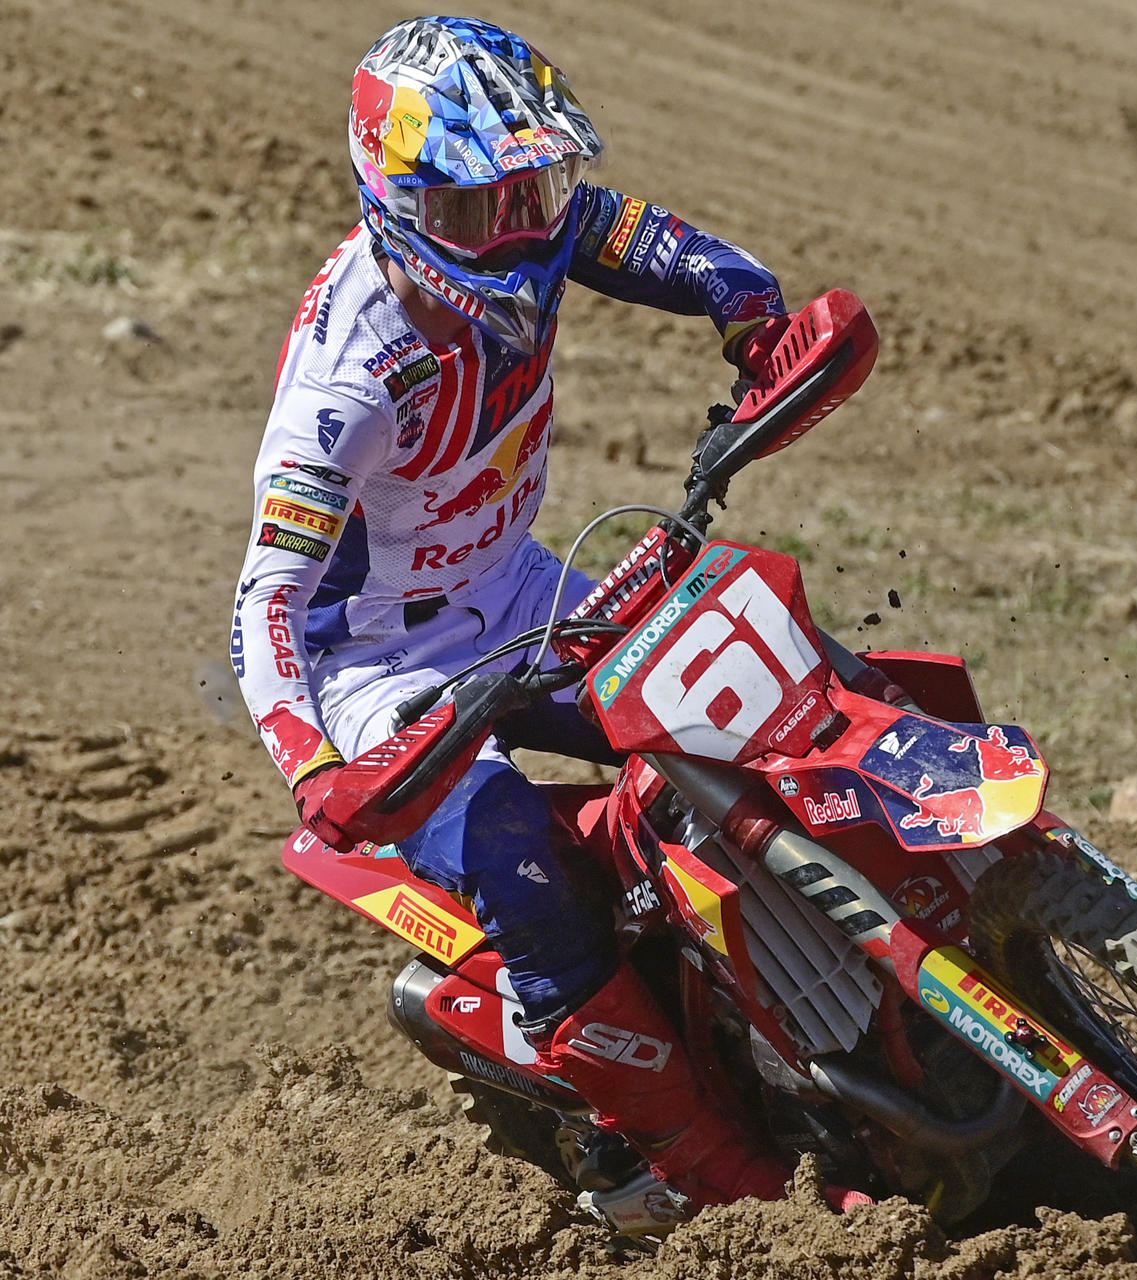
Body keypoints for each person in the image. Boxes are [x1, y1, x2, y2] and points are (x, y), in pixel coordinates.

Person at [227, 16, 829, 1230]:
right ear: (398, 201)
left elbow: (635, 236)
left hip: (516, 586)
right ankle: (699, 1161)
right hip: (384, 669)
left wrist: (755, 308)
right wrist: (317, 762)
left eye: (532, 189)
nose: (521, 231)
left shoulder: (540, 227)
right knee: (524, 862)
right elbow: (265, 599)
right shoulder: (347, 383)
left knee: (761, 684)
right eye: (479, 208)